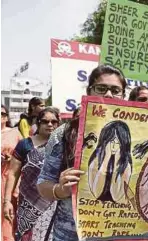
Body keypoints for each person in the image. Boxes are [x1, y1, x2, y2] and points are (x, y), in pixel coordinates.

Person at [36, 65, 127, 241]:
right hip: (70, 235)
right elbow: (43, 185)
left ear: (123, 96)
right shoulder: (65, 133)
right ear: (89, 92)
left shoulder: (137, 135)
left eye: (116, 90)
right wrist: (61, 190)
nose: (108, 95)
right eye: (101, 88)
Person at [3, 107, 60, 241]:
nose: (50, 124)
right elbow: (12, 174)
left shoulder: (62, 146)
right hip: (27, 204)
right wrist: (7, 202)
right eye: (45, 121)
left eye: (54, 121)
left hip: (54, 203)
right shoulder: (25, 144)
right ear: (38, 123)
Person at [1, 105, 22, 241]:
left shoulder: (14, 133)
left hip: (8, 179)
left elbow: (23, 155)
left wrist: (10, 157)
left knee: (7, 214)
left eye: (2, 114)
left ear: (6, 117)